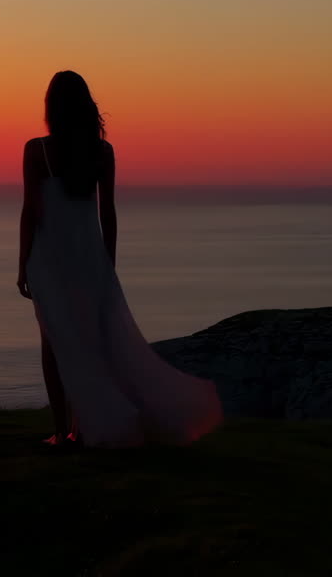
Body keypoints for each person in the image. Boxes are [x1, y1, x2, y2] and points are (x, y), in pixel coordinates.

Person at [17, 70, 222, 447]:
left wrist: (22, 264)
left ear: (51, 107)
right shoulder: (101, 152)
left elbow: (31, 211)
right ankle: (81, 428)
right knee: (90, 344)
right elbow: (107, 213)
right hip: (88, 259)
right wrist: (107, 264)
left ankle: (61, 431)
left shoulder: (37, 150)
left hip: (47, 259)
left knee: (54, 344)